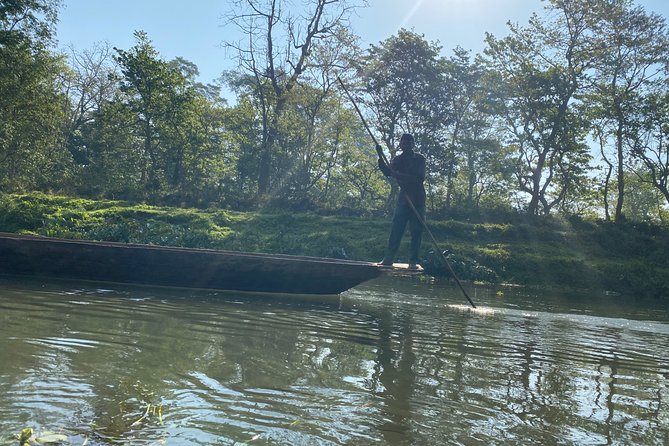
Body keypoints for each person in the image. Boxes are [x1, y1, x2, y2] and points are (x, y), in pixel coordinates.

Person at [377, 133, 426, 270]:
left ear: (413, 145)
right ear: (400, 144)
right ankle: (388, 259)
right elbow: (388, 172)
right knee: (396, 229)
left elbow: (419, 178)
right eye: (404, 143)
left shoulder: (420, 159)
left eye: (409, 143)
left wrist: (398, 174)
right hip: (404, 199)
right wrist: (380, 157)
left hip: (418, 199)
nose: (406, 145)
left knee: (416, 231)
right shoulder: (398, 159)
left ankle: (413, 260)